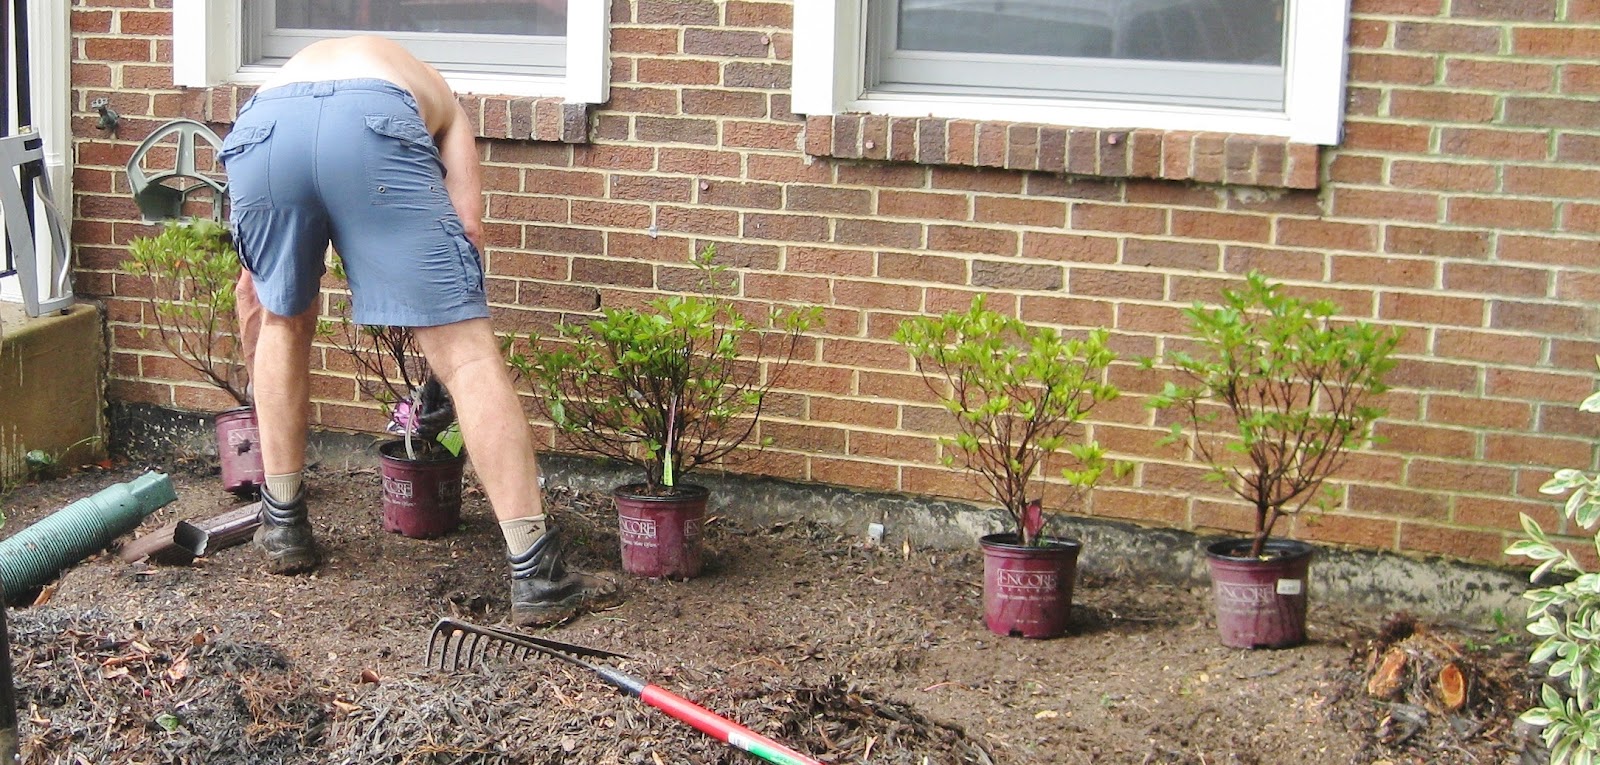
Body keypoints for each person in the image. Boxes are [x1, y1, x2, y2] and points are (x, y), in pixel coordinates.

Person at [222, 35, 618, 626]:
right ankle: (537, 572)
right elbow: (467, 230)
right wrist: (444, 372)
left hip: (265, 126)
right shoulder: (443, 100)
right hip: (369, 127)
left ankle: (282, 525)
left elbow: (252, 295)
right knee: (468, 356)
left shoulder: (305, 66)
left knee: (282, 317)